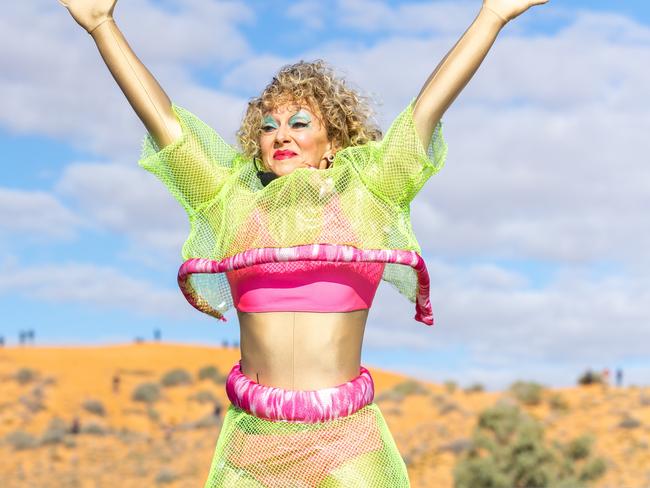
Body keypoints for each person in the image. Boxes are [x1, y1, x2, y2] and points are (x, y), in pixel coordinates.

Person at [60, 0, 548, 486]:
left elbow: (427, 109)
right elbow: (166, 126)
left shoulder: (370, 197)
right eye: (269, 126)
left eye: (299, 123)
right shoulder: (231, 203)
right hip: (255, 447)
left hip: (346, 445)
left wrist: (492, 16)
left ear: (333, 140)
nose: (280, 135)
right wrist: (103, 26)